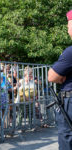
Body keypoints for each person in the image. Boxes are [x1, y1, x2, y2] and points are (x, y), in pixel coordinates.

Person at [48, 10, 72, 150]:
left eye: (69, 26)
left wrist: (62, 75)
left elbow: (52, 76)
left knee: (67, 137)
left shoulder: (70, 52)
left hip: (70, 101)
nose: (68, 30)